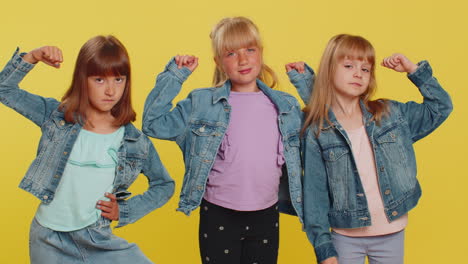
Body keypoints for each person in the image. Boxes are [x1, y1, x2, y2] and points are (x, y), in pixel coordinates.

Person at [142, 16, 303, 264]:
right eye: (231, 53)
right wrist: (175, 75)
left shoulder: (285, 105)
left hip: (266, 213)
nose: (243, 59)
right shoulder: (202, 103)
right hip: (219, 213)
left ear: (260, 53)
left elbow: (326, 129)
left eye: (250, 49)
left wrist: (305, 83)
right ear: (218, 62)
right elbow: (153, 123)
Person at [0, 35, 174, 263]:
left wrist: (125, 210)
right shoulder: (56, 117)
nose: (111, 91)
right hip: (48, 239)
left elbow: (164, 184)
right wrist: (32, 57)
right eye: (99, 80)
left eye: (119, 80)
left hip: (97, 237)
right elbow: (5, 90)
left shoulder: (133, 140)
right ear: (83, 80)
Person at [289, 34, 452, 264]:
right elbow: (315, 194)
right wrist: (324, 248)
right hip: (344, 237)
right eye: (348, 66)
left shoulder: (390, 115)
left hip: (391, 233)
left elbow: (441, 107)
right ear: (328, 70)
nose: (358, 73)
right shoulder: (319, 131)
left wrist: (413, 70)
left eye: (365, 69)